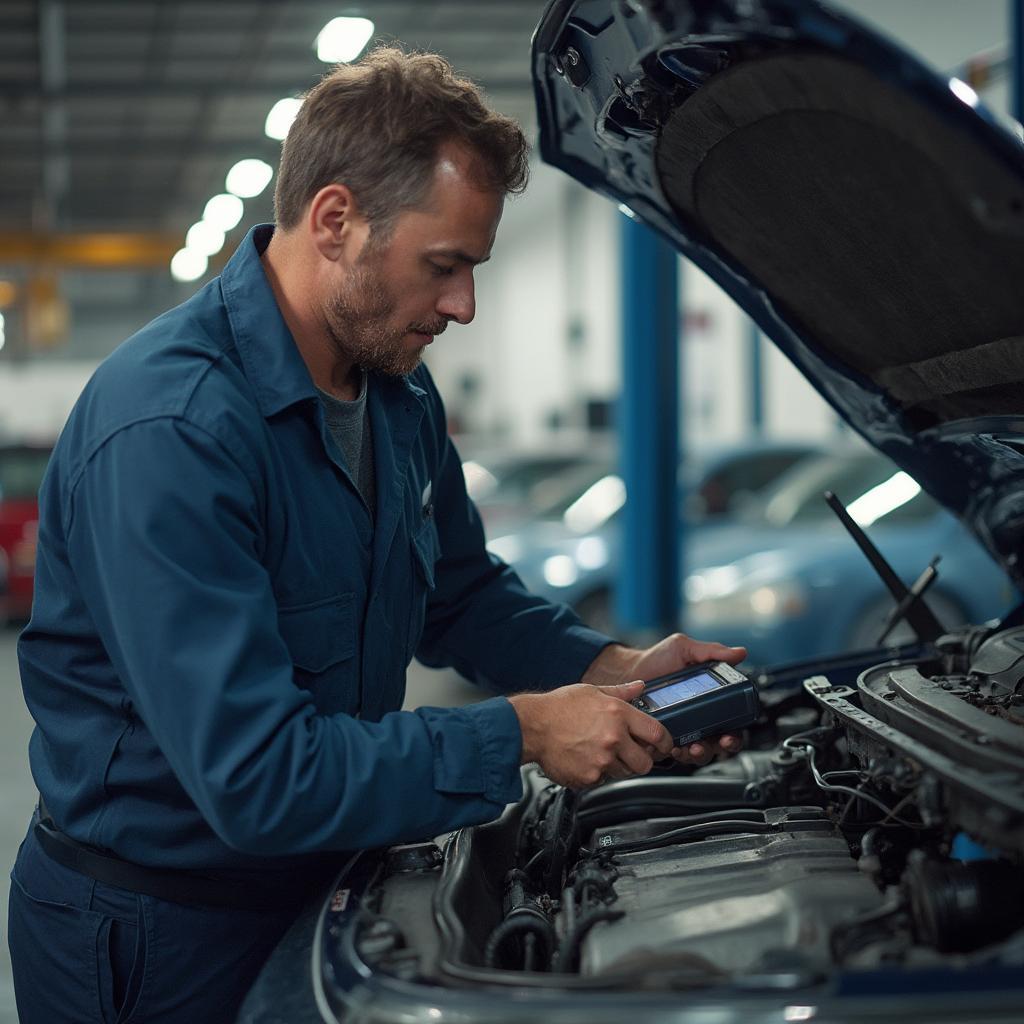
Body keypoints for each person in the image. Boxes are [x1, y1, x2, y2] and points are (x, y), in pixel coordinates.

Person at [8, 47, 746, 1023]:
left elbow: (462, 592)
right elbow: (259, 778)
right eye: (443, 267)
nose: (462, 307)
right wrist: (522, 728)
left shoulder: (397, 394)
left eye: (473, 269)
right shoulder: (173, 430)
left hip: (327, 885)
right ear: (335, 221)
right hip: (158, 932)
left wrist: (611, 665)